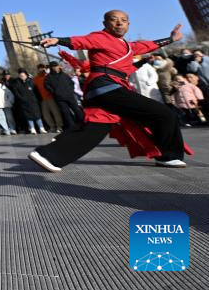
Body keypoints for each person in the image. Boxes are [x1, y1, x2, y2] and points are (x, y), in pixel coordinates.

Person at [30, 11, 186, 172]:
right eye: (114, 19)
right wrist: (58, 40)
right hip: (106, 87)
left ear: (128, 24)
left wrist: (171, 39)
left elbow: (147, 46)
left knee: (98, 126)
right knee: (164, 114)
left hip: (103, 89)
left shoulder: (128, 46)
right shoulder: (100, 37)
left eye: (124, 20)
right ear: (105, 24)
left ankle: (49, 156)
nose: (119, 23)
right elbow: (82, 41)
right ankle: (169, 156)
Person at [44, 63, 82, 131]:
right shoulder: (48, 77)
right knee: (66, 113)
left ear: (58, 66)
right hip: (60, 98)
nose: (55, 67)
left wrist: (71, 90)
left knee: (77, 110)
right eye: (53, 66)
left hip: (70, 96)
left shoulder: (64, 74)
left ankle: (84, 122)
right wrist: (55, 92)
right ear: (51, 68)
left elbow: (71, 83)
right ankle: (72, 127)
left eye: (56, 66)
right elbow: (47, 86)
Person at [9, 69, 46, 134]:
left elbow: (36, 91)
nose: (22, 77)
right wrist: (22, 99)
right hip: (24, 102)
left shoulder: (31, 81)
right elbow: (16, 93)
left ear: (26, 75)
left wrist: (37, 99)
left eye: (23, 75)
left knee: (37, 115)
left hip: (33, 101)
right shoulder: (17, 83)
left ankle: (41, 127)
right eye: (20, 76)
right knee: (28, 116)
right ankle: (32, 128)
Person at [33, 64, 61, 133]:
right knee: (46, 114)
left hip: (51, 97)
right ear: (38, 69)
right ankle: (52, 127)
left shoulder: (48, 76)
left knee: (56, 112)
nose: (41, 69)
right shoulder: (35, 79)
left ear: (44, 68)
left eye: (42, 68)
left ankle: (59, 126)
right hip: (42, 99)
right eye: (39, 68)